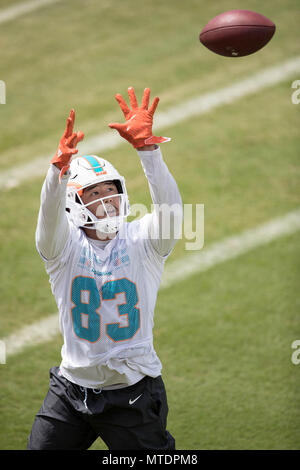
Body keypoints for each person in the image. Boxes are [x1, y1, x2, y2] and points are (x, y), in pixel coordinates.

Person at [27, 87, 183, 450]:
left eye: (111, 190)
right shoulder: (62, 250)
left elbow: (171, 211)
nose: (108, 200)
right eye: (95, 194)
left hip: (133, 392)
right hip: (70, 389)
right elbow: (48, 220)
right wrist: (57, 175)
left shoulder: (144, 241)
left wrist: (149, 151)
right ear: (75, 204)